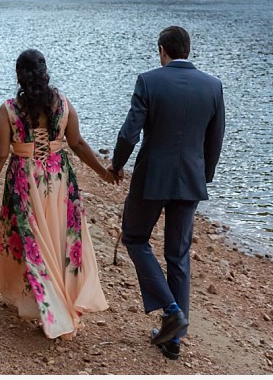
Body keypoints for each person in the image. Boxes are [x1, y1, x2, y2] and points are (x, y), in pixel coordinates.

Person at [0, 49, 118, 340]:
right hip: (59, 179)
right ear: (45, 74)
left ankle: (46, 306)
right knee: (58, 240)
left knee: (33, 243)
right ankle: (60, 301)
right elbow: (78, 143)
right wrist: (103, 173)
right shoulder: (63, 104)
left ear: (19, 76)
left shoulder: (9, 109)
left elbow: (0, 153)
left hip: (24, 180)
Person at [110, 26, 225, 361]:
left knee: (134, 238)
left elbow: (130, 133)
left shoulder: (149, 80)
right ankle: (174, 341)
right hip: (190, 180)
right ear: (187, 50)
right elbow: (214, 139)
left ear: (162, 50)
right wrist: (204, 177)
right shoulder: (213, 86)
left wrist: (116, 166)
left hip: (151, 179)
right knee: (178, 256)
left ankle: (172, 311)